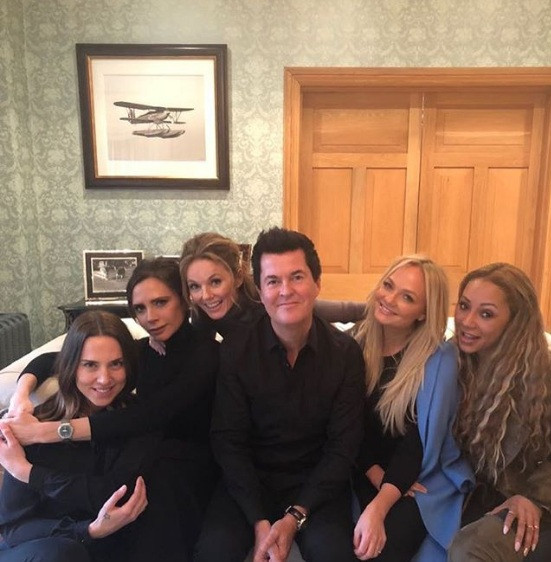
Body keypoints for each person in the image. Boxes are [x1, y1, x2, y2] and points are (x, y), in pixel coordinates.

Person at [4, 257, 220, 561]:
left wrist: (48, 434)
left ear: (184, 299)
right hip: (135, 461)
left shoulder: (207, 354)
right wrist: (21, 395)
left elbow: (149, 416)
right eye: (140, 308)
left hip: (182, 468)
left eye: (161, 302)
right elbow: (54, 360)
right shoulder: (140, 352)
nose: (150, 317)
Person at [193, 227, 366, 562]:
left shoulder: (345, 353)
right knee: (213, 551)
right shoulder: (236, 350)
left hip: (316, 484)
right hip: (250, 480)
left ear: (317, 283)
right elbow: (228, 440)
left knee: (334, 555)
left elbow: (343, 447)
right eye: (273, 281)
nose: (286, 291)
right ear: (260, 291)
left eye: (297, 277)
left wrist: (295, 516)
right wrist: (259, 520)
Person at [0, 311, 153, 562]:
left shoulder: (137, 420)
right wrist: (87, 531)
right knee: (63, 553)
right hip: (40, 550)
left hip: (103, 547)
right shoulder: (34, 426)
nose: (104, 379)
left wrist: (28, 472)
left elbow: (113, 493)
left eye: (116, 364)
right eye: (90, 365)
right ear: (71, 367)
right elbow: (14, 528)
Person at [350, 255, 473, 562]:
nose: (389, 299)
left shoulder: (439, 361)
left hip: (419, 478)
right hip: (361, 467)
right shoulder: (353, 344)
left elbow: (417, 444)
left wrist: (380, 505)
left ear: (423, 313)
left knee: (382, 551)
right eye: (388, 285)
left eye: (407, 297)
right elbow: (347, 426)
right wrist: (376, 477)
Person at [448, 263, 551, 562]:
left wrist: (535, 498)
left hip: (534, 504)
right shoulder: (452, 364)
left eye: (486, 314)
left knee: (471, 549)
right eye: (464, 306)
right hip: (475, 495)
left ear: (515, 322)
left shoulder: (542, 378)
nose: (467, 322)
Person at [180, 231, 365, 340]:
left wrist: (372, 312)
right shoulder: (200, 311)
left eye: (215, 282)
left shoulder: (266, 300)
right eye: (195, 286)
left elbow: (339, 310)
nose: (206, 295)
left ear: (238, 277)